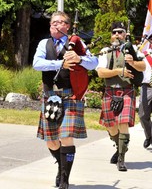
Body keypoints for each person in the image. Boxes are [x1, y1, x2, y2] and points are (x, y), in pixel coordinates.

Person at [33, 11, 98, 189]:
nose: (55, 25)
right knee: (51, 141)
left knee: (66, 137)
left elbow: (94, 62)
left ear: (67, 26)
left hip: (71, 96)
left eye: (60, 22)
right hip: (50, 96)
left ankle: (64, 180)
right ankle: (62, 166)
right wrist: (59, 63)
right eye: (53, 22)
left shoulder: (77, 42)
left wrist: (79, 59)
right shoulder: (43, 44)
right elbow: (37, 63)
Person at [96, 21, 146, 171]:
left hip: (127, 90)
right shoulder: (105, 51)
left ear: (125, 34)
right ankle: (120, 148)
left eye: (120, 32)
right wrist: (119, 71)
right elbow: (100, 72)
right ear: (111, 35)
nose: (117, 34)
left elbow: (143, 67)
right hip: (110, 90)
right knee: (111, 127)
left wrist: (134, 62)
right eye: (114, 32)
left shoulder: (133, 48)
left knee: (123, 124)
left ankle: (121, 159)